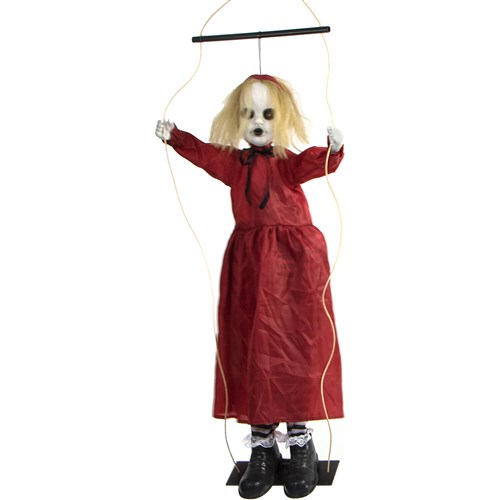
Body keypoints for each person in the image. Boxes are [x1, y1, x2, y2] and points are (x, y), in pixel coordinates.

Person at [156, 74, 344, 498]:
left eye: (268, 114)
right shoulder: (234, 165)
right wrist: (176, 137)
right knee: (252, 346)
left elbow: (315, 163)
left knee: (296, 345)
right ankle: (262, 445)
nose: (258, 122)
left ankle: (300, 441)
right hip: (249, 264)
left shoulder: (287, 164)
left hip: (295, 266)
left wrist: (334, 150)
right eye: (249, 114)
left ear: (283, 118)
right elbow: (207, 155)